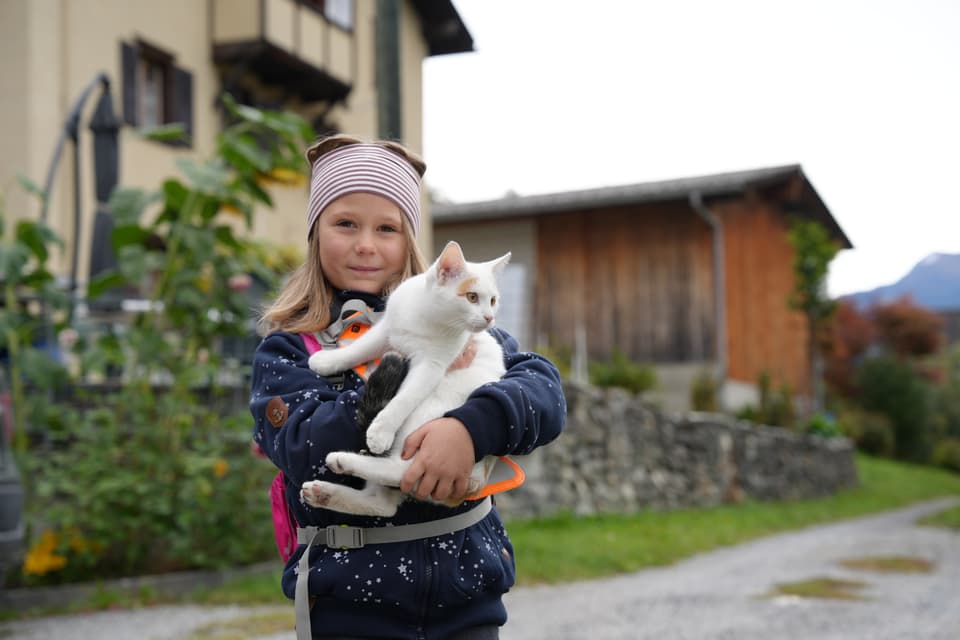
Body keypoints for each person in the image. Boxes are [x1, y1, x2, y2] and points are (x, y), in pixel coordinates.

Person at [249, 134, 566, 640]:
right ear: (315, 232)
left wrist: (470, 429)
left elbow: (545, 392)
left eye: (388, 228)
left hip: (467, 590)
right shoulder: (292, 347)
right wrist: (395, 376)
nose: (366, 244)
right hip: (350, 604)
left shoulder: (459, 314)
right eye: (345, 223)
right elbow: (304, 445)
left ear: (411, 241)